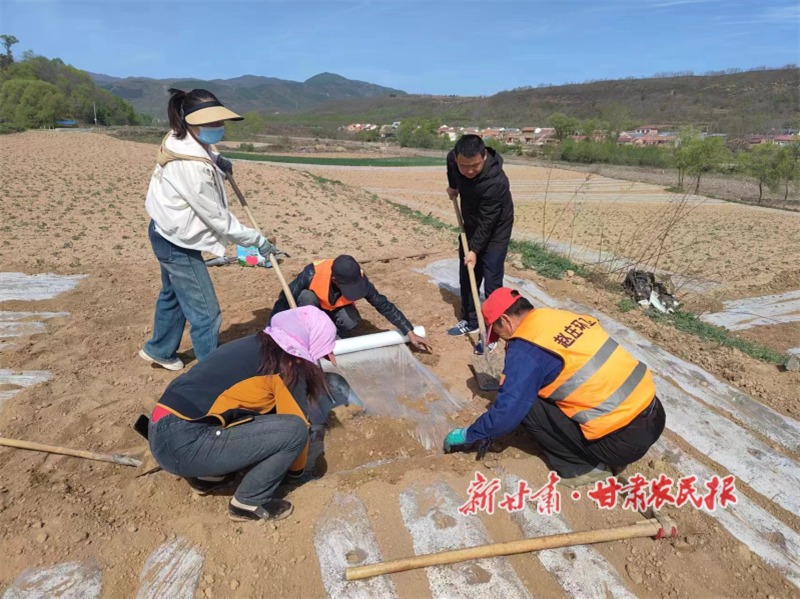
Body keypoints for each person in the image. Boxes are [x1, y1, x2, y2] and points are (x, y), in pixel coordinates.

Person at [444, 288, 666, 487]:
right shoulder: (559, 316)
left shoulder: (525, 348)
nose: (502, 340)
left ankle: (583, 468)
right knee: (543, 385)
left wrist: (469, 434)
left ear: (506, 320)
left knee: (526, 404)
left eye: (498, 333)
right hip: (654, 412)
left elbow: (507, 412)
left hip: (621, 443)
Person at [148, 306, 336, 521]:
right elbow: (298, 423)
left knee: (261, 415)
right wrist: (295, 473)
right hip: (184, 444)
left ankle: (207, 477)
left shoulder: (256, 345)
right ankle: (249, 502)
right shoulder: (288, 365)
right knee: (294, 430)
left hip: (163, 431)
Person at [140, 88, 278, 371]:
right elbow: (219, 219)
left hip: (166, 230)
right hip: (177, 242)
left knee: (173, 295)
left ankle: (160, 350)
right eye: (211, 122)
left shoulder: (182, 136)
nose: (218, 126)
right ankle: (211, 372)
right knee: (206, 312)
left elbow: (206, 153)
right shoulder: (190, 167)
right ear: (191, 121)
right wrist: (258, 242)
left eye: (219, 121)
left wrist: (218, 161)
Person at [271, 255, 431, 351]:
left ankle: (336, 334)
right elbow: (285, 298)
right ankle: (313, 334)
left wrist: (408, 331)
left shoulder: (359, 277)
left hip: (335, 310)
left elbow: (383, 304)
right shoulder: (312, 273)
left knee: (350, 319)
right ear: (335, 280)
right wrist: (272, 331)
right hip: (313, 309)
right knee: (306, 297)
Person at [445, 135, 514, 354]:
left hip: (495, 229)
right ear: (457, 158)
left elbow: (488, 223)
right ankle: (471, 321)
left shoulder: (496, 182)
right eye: (464, 166)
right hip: (471, 222)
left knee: (492, 280)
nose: (469, 171)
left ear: (484, 156)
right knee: (468, 273)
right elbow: (451, 167)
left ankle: (492, 333)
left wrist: (475, 250)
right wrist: (453, 186)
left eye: (474, 165)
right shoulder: (453, 159)